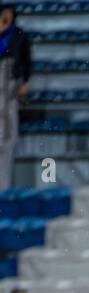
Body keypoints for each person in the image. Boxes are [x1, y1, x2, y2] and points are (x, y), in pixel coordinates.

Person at [0, 4, 32, 191]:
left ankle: (4, 185)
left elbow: (26, 60)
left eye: (8, 14)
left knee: (9, 137)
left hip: (10, 84)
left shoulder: (19, 35)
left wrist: (24, 81)